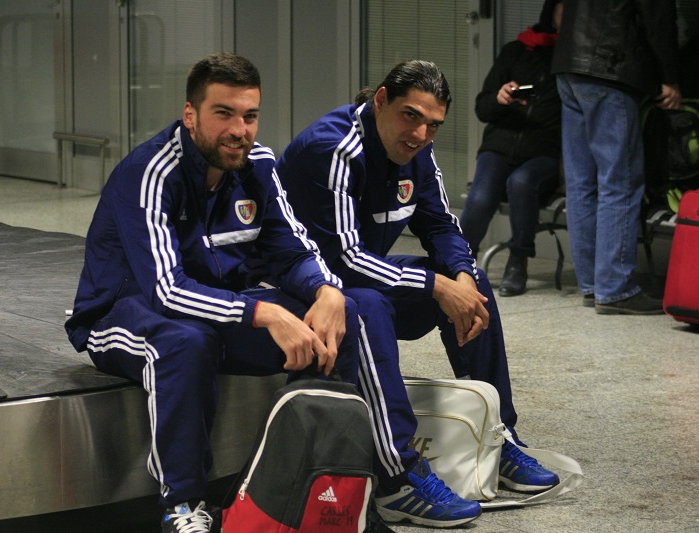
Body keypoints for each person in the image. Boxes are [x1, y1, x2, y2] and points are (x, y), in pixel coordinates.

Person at [64, 53, 362, 533]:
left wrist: (326, 289)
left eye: (250, 116)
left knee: (336, 317)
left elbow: (293, 249)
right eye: (224, 113)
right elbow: (166, 291)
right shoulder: (150, 172)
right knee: (187, 342)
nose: (239, 130)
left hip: (216, 307)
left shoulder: (258, 165)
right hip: (121, 314)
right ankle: (183, 506)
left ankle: (311, 488)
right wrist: (265, 314)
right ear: (191, 115)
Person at [274, 59, 559, 528]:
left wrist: (461, 275)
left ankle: (498, 435)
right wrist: (436, 285)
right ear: (381, 100)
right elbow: (343, 260)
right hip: (304, 291)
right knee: (368, 305)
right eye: (411, 116)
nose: (421, 134)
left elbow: (440, 224)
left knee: (472, 284)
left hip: (359, 279)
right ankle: (398, 480)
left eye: (433, 124)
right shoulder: (333, 148)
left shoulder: (416, 148)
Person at [551, 0, 681, 314]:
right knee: (619, 182)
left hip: (569, 65)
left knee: (580, 185)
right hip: (609, 67)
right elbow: (658, 19)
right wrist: (670, 76)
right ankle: (615, 288)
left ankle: (592, 285)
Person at [460, 0, 564, 297]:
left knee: (521, 183)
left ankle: (519, 261)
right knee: (480, 198)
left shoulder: (573, 59)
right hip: (500, 145)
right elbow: (483, 107)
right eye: (562, 9)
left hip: (544, 151)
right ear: (551, 12)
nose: (567, 16)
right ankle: (459, 262)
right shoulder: (515, 51)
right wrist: (500, 98)